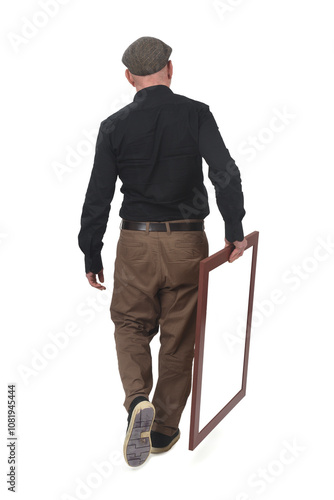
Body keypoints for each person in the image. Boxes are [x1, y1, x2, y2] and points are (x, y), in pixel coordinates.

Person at [78, 36, 247, 468]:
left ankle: (137, 399)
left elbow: (98, 195)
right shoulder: (196, 113)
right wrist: (234, 230)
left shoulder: (113, 125)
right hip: (188, 242)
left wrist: (91, 251)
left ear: (129, 77)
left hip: (135, 242)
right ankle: (164, 429)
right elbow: (224, 171)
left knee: (131, 324)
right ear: (171, 69)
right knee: (179, 336)